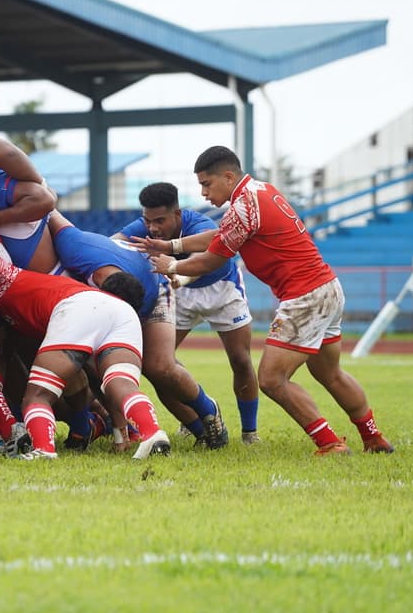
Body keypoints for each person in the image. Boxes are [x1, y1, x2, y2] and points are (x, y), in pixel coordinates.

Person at [146, 145, 394, 456]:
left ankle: (330, 443)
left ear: (227, 176)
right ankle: (373, 437)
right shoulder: (259, 191)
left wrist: (172, 265)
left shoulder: (243, 206)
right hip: (327, 287)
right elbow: (221, 235)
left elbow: (212, 259)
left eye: (206, 184)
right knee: (330, 373)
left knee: (272, 379)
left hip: (305, 297)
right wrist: (172, 244)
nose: (203, 192)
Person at [0, 223, 171, 460]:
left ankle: (43, 449)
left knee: (38, 394)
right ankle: (152, 432)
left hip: (78, 308)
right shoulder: (9, 308)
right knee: (118, 382)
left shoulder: (2, 276)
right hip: (121, 314)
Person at [48, 209, 229, 449]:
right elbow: (52, 212)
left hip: (154, 288)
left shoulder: (76, 248)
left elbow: (49, 207)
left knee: (159, 366)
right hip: (111, 294)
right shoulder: (71, 250)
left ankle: (208, 412)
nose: (152, 226)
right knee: (97, 365)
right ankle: (192, 431)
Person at [114, 182, 261, 444]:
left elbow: (210, 251)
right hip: (178, 293)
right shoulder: (145, 225)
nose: (153, 228)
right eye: (148, 220)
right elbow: (114, 244)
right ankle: (197, 414)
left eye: (160, 220)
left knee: (240, 359)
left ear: (178, 214)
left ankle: (250, 432)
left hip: (222, 288)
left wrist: (174, 261)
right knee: (160, 365)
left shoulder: (199, 224)